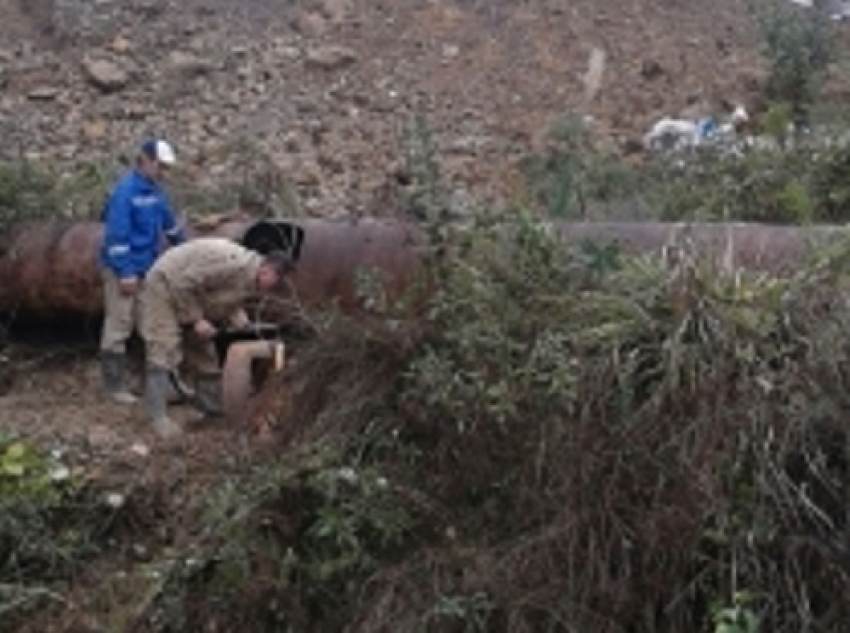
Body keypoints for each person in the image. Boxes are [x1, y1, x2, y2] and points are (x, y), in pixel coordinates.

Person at [138, 238, 293, 437]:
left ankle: (207, 406)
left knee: (205, 351)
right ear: (267, 271)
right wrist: (195, 319)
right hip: (166, 284)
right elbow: (183, 282)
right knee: (163, 347)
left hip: (190, 293)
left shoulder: (250, 274)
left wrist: (235, 314)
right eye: (277, 283)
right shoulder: (232, 264)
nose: (274, 289)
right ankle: (157, 416)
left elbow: (219, 293)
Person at [98, 138, 187, 404]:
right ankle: (114, 386)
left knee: (154, 324)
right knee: (119, 324)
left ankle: (164, 384)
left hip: (147, 268)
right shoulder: (125, 193)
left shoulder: (156, 192)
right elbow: (116, 237)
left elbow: (170, 226)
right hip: (122, 270)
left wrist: (184, 250)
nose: (163, 172)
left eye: (166, 168)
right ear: (145, 161)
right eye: (160, 166)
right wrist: (125, 272)